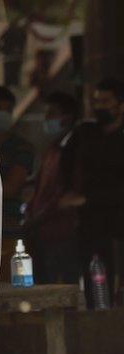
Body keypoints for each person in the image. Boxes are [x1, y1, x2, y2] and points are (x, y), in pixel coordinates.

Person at [65, 77, 124, 305]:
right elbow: (65, 167)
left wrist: (89, 199)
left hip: (116, 219)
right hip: (90, 224)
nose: (99, 106)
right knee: (96, 290)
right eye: (96, 101)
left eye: (106, 101)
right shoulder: (85, 133)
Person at [24, 92, 82, 284]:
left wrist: (39, 215)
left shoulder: (74, 150)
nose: (46, 118)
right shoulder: (53, 149)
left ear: (67, 116)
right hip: (43, 231)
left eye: (52, 113)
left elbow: (65, 196)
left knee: (63, 289)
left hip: (61, 233)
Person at [0, 85, 34, 279]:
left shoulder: (22, 147)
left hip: (9, 233)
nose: (1, 113)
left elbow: (11, 188)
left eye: (6, 109)